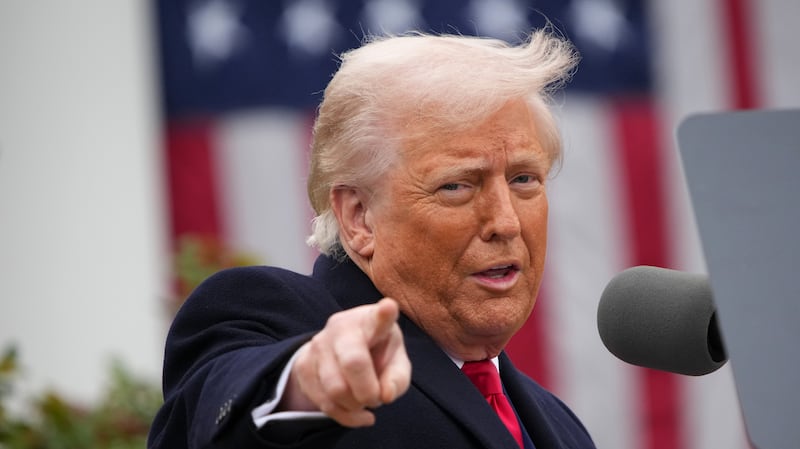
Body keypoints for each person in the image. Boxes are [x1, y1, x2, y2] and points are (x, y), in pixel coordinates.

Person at [148, 28, 596, 449]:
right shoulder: (279, 323)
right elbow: (208, 420)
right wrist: (301, 389)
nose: (507, 222)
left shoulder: (559, 424)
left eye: (523, 179)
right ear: (360, 217)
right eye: (457, 185)